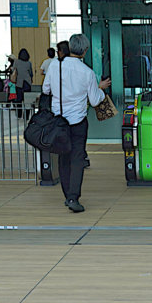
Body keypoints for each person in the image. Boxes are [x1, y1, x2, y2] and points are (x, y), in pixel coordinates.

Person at [42, 34, 110, 213]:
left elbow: (45, 89)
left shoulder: (54, 65)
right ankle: (73, 197)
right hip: (78, 122)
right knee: (77, 158)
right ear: (85, 51)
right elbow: (95, 101)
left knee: (63, 158)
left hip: (58, 121)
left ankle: (67, 196)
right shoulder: (87, 72)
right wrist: (100, 89)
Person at [13, 48, 34, 119]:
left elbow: (13, 70)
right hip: (27, 83)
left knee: (19, 100)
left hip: (19, 83)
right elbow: (31, 73)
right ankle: (26, 116)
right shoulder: (29, 63)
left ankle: (19, 115)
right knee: (27, 101)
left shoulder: (16, 62)